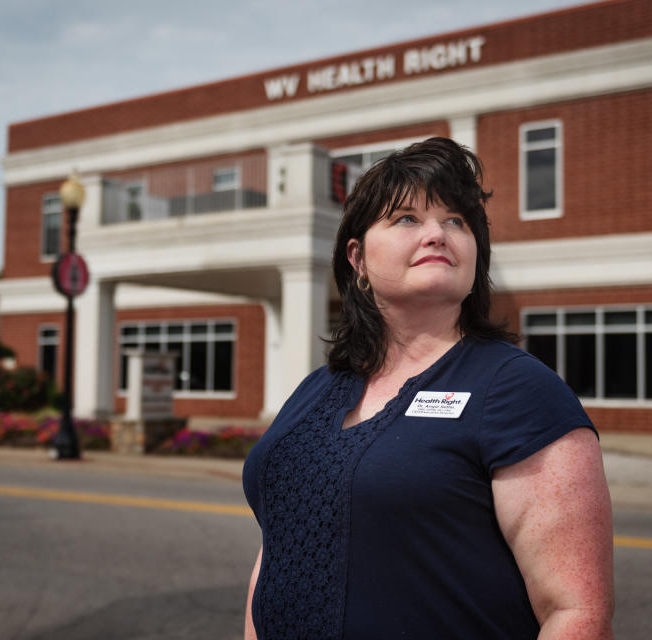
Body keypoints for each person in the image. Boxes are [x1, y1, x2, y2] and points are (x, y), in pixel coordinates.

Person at [242, 137, 614, 639]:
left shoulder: (517, 391)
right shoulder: (317, 388)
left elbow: (576, 612)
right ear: (358, 259)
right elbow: (279, 545)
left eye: (457, 221)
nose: (438, 234)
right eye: (407, 219)